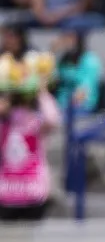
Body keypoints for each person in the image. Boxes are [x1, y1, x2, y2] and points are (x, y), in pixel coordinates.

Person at [0, 53, 61, 222]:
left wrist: (40, 90)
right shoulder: (4, 123)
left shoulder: (37, 122)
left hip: (33, 191)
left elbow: (53, 118)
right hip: (6, 194)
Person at [52, 30, 102, 115]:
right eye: (64, 36)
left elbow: (84, 90)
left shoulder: (90, 60)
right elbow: (51, 79)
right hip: (60, 105)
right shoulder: (64, 59)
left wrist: (66, 110)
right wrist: (52, 53)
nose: (66, 40)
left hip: (81, 107)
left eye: (70, 37)